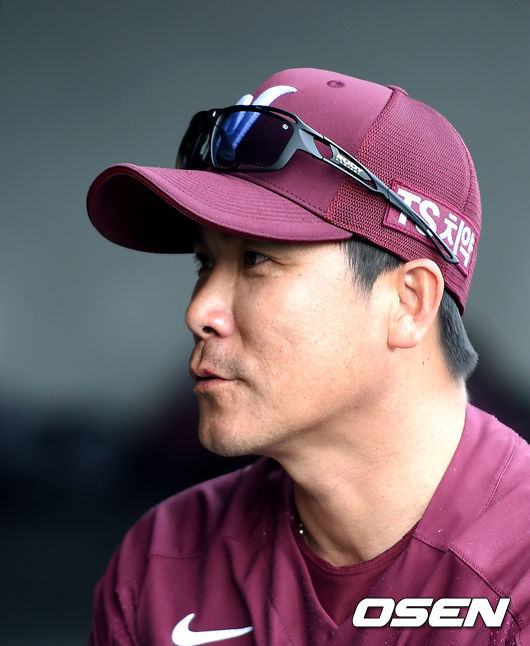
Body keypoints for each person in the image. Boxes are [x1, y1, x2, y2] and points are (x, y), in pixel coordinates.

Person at [86, 68, 530, 645]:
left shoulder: (517, 573)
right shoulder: (161, 564)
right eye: (205, 262)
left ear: (408, 303)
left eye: (256, 259)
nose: (201, 311)